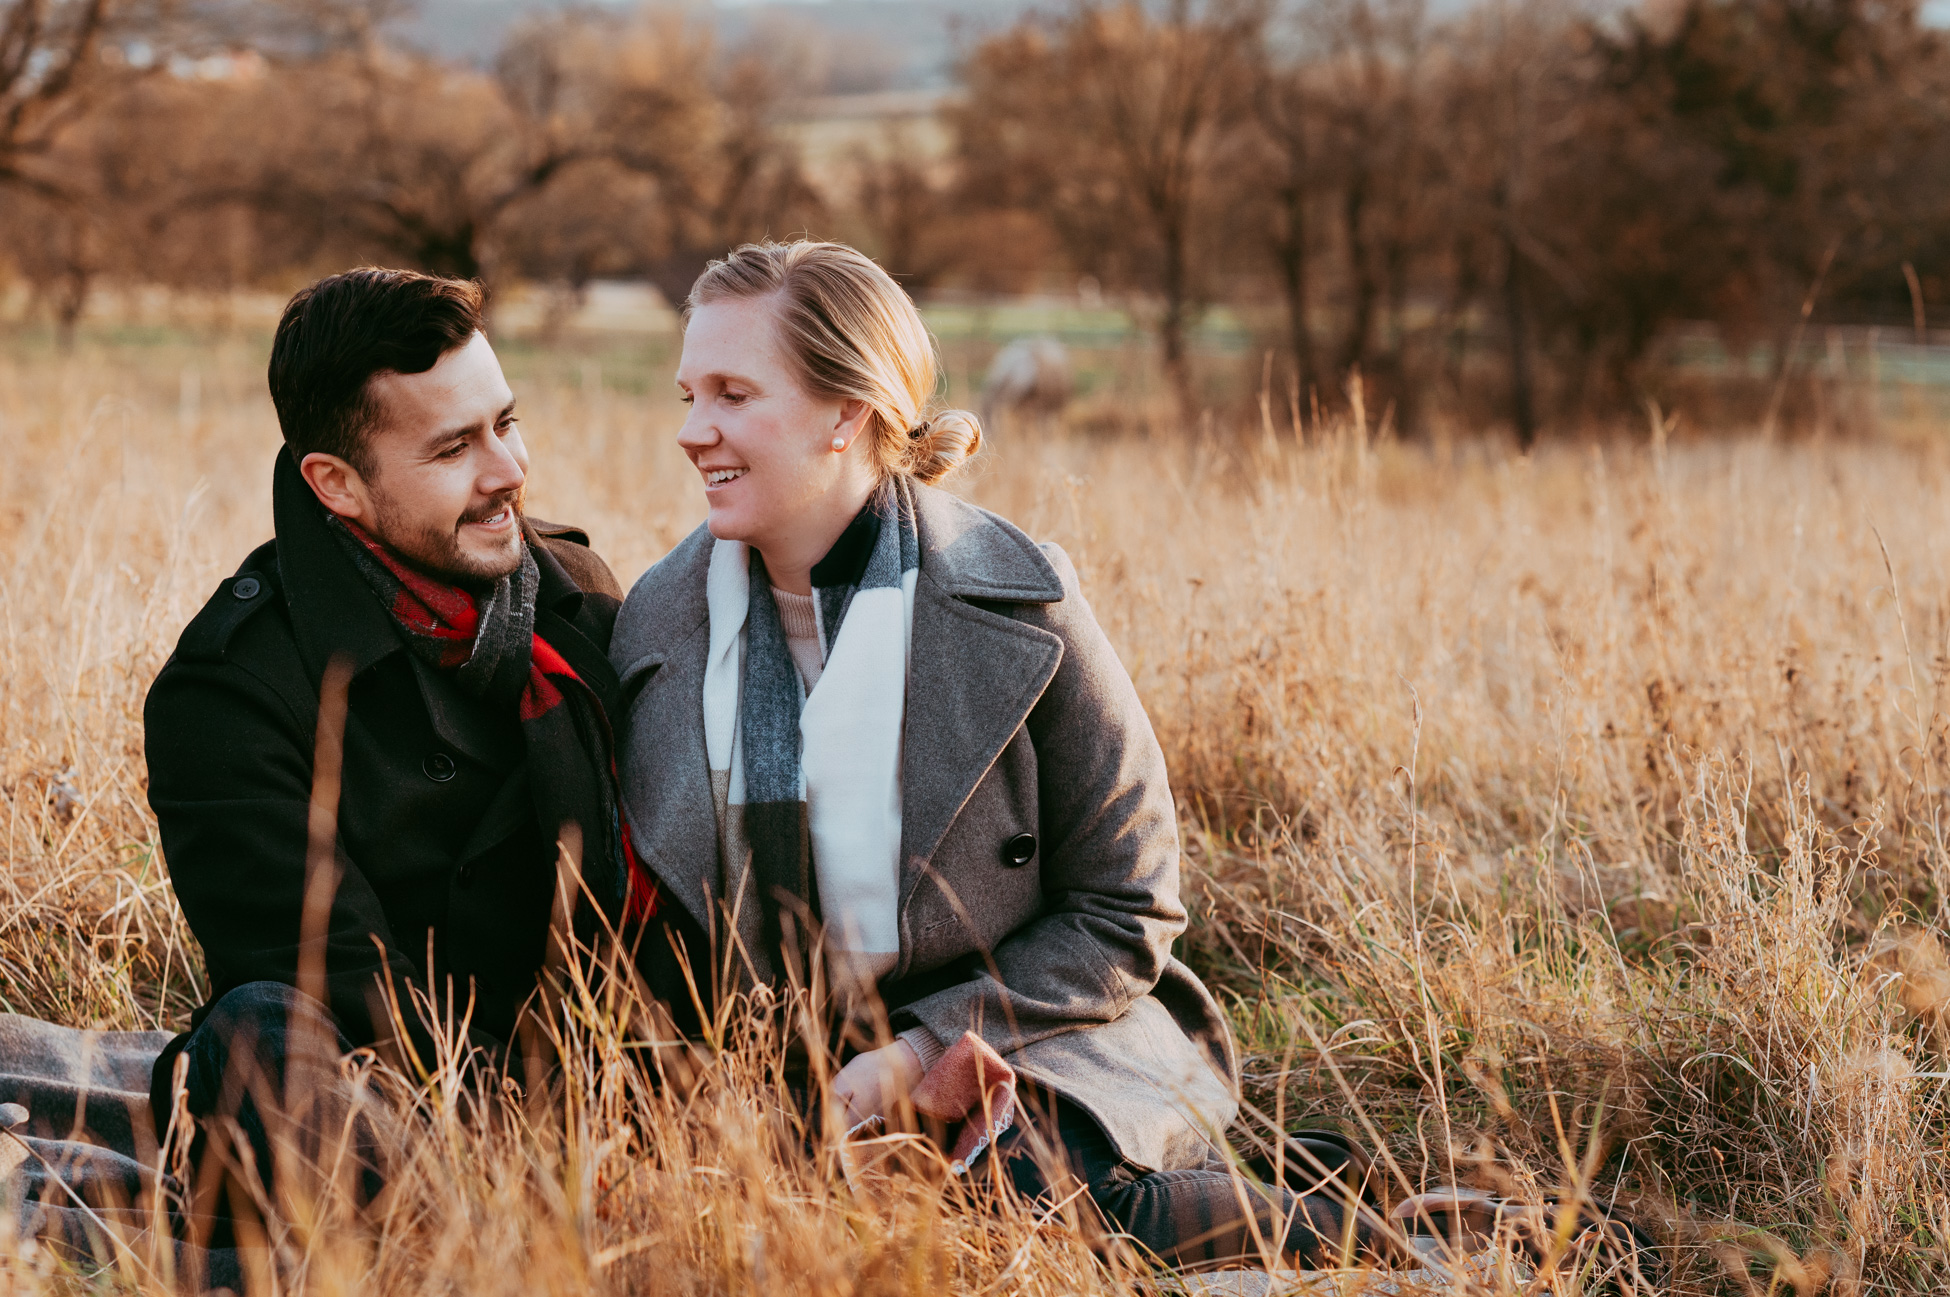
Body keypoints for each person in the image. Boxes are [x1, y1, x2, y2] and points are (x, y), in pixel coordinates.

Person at [610, 240, 1379, 1271]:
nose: (691, 429)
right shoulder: (655, 625)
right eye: (688, 391)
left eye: (733, 394)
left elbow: (1128, 905)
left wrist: (924, 1047)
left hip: (1035, 1036)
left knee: (1022, 1203)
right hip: (787, 1078)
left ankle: (1427, 1243)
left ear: (847, 413)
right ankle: (1282, 1170)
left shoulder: (1020, 599)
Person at [143, 268, 642, 1228]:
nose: (507, 471)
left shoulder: (575, 594)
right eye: (454, 447)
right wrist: (516, 1145)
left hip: (594, 1094)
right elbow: (339, 986)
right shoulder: (233, 689)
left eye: (506, 421)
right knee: (261, 1040)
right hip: (392, 1101)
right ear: (338, 485)